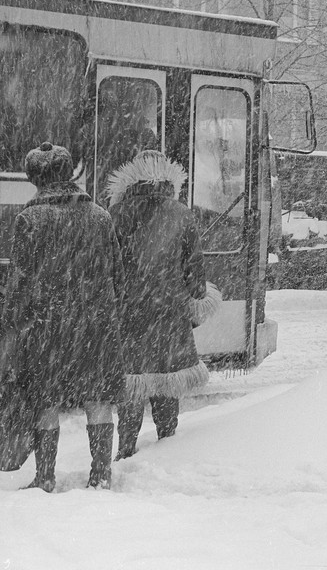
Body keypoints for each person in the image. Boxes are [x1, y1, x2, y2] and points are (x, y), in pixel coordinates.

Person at [0, 142, 125, 492]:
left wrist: (11, 322)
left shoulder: (29, 220)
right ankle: (100, 474)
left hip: (48, 327)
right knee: (98, 398)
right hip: (95, 324)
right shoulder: (100, 215)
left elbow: (20, 282)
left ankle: (45, 477)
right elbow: (118, 272)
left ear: (34, 178)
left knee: (45, 400)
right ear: (69, 173)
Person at [105, 149, 210, 460]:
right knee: (167, 384)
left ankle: (125, 449)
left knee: (133, 385)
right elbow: (195, 273)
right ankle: (167, 445)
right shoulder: (182, 214)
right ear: (168, 178)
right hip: (169, 313)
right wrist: (191, 310)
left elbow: (106, 268)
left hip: (129, 314)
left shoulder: (116, 214)